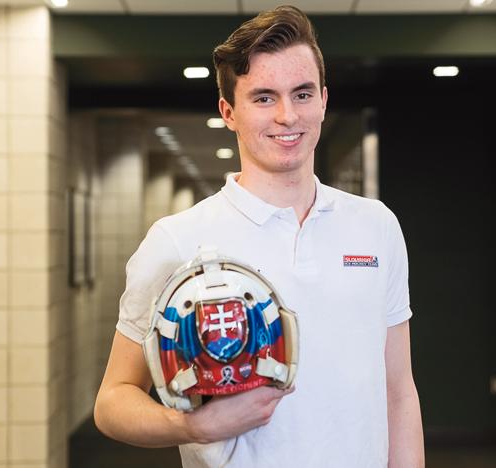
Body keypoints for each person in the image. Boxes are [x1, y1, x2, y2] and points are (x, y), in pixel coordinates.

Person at [94, 5, 424, 467]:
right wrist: (187, 427)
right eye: (264, 98)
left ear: (324, 101)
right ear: (228, 112)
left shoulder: (376, 226)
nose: (288, 115)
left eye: (303, 94)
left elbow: (398, 393)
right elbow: (113, 402)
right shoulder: (177, 240)